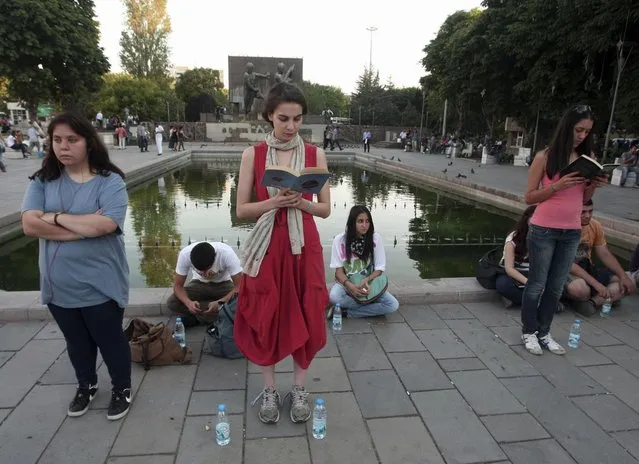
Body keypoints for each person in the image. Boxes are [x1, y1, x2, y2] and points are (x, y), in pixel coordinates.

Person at [20, 111, 131, 420]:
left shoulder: (110, 182)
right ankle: (87, 384)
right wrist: (81, 227)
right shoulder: (43, 181)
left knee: (110, 341)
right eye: (57, 140)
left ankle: (122, 388)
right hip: (59, 285)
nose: (63, 146)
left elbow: (105, 225)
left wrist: (53, 217)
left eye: (72, 139)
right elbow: (29, 225)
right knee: (77, 343)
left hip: (101, 283)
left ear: (88, 142)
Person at [234, 82, 331, 425]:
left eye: (297, 119)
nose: (291, 126)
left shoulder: (315, 155)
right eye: (283, 118)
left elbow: (325, 210)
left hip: (304, 244)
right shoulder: (253, 155)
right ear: (269, 117)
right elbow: (242, 209)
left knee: (308, 310)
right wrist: (274, 202)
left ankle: (300, 388)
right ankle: (271, 389)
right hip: (268, 245)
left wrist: (301, 202)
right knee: (266, 315)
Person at [521, 105, 607, 355]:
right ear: (567, 127)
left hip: (571, 231)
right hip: (544, 229)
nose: (582, 135)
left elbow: (583, 198)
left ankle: (544, 332)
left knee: (556, 286)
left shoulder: (585, 159)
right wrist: (557, 186)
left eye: (587, 131)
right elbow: (529, 197)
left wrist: (593, 185)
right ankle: (529, 331)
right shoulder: (545, 157)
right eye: (579, 129)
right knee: (537, 284)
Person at [564, 200, 636, 316]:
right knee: (580, 289)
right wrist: (596, 284)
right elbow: (568, 264)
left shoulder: (594, 225)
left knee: (630, 281)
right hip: (567, 271)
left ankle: (592, 302)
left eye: (590, 211)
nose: (587, 215)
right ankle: (600, 297)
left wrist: (623, 276)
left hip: (588, 268)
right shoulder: (564, 227)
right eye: (583, 212)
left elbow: (605, 254)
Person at [328, 205, 399, 317]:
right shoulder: (339, 240)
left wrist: (367, 279)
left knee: (392, 305)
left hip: (368, 283)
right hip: (346, 284)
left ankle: (346, 313)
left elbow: (380, 268)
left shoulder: (375, 239)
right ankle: (370, 304)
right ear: (352, 222)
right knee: (334, 296)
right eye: (360, 221)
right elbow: (339, 272)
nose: (364, 225)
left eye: (367, 221)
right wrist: (350, 286)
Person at [166, 241, 242, 327]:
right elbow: (177, 286)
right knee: (172, 302)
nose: (205, 274)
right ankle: (216, 315)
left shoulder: (226, 254)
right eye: (200, 270)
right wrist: (188, 303)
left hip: (223, 284)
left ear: (214, 259)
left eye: (206, 269)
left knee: (242, 301)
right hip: (198, 284)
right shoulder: (185, 254)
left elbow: (239, 286)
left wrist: (220, 302)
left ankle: (197, 318)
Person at [496, 206, 536, 308]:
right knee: (503, 285)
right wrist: (528, 283)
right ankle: (538, 303)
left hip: (536, 274)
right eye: (535, 217)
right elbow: (509, 268)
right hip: (515, 274)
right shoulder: (514, 238)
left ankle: (526, 302)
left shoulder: (547, 237)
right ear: (527, 219)